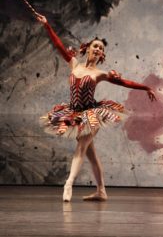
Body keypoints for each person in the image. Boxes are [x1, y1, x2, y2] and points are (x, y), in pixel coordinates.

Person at [36, 13, 156, 202]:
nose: (98, 49)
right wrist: (47, 25)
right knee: (90, 154)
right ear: (88, 48)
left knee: (82, 146)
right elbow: (59, 45)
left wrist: (145, 87)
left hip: (91, 114)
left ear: (101, 54)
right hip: (74, 113)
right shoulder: (74, 64)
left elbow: (124, 82)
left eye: (101, 48)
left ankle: (68, 183)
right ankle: (101, 191)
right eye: (96, 46)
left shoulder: (100, 73)